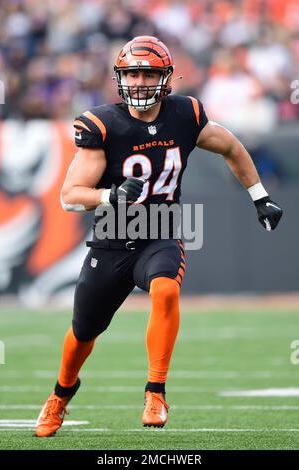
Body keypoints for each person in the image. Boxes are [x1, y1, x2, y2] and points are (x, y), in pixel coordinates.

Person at [35, 36, 283, 437]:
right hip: (113, 237)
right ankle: (60, 395)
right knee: (84, 332)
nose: (139, 80)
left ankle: (156, 391)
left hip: (161, 229)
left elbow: (232, 147)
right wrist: (109, 195)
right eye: (132, 72)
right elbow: (69, 197)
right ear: (120, 77)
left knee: (166, 290)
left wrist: (260, 197)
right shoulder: (105, 123)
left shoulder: (186, 114)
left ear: (165, 77)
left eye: (148, 72)